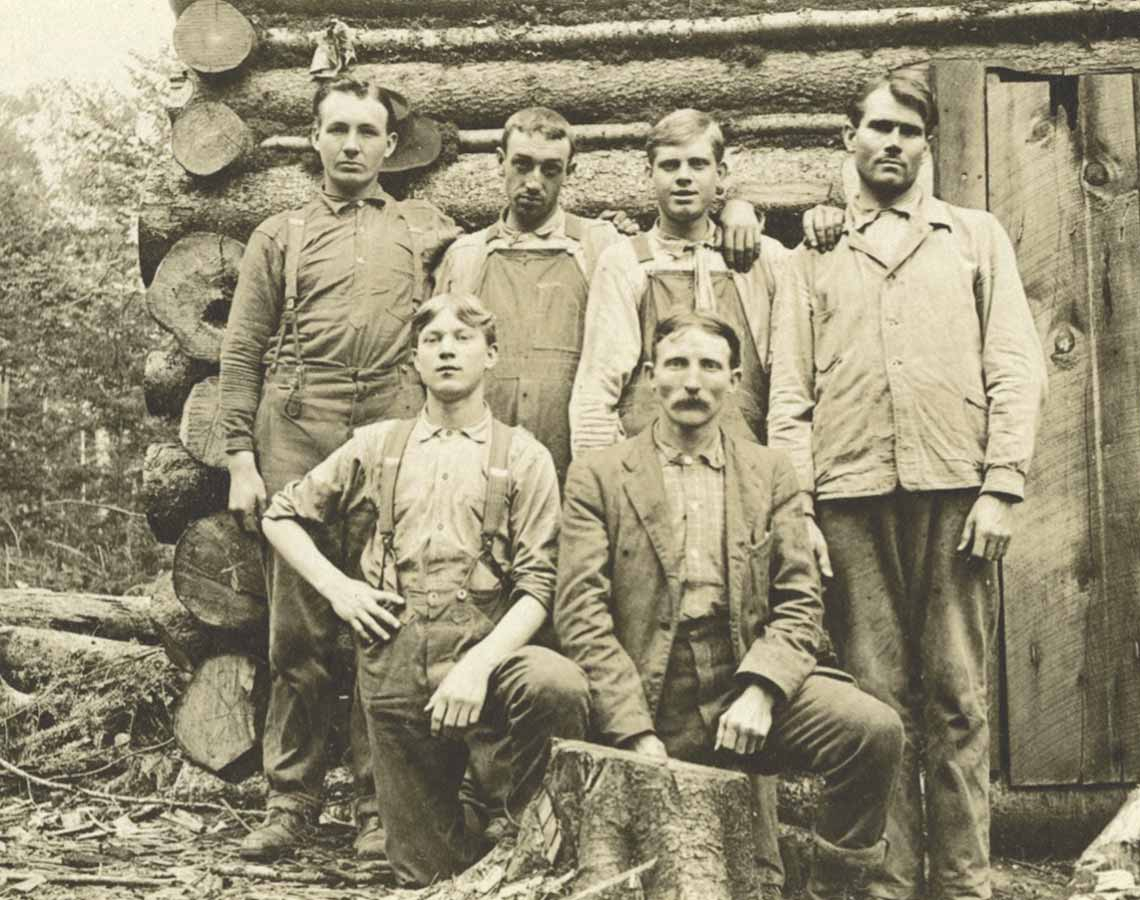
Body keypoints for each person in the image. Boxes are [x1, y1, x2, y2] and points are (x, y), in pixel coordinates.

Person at [793, 73, 1047, 900]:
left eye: (909, 129)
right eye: (877, 127)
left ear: (927, 142)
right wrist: (798, 509)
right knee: (877, 705)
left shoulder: (972, 237)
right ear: (848, 138)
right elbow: (789, 397)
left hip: (954, 492)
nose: (892, 143)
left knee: (958, 697)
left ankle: (965, 882)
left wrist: (1002, 483)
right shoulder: (814, 251)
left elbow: (1014, 363)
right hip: (848, 498)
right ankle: (889, 884)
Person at [556, 310, 904, 900]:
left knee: (873, 731)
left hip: (743, 672)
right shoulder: (599, 475)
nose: (693, 382)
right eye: (677, 364)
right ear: (649, 375)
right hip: (650, 684)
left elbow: (799, 602)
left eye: (710, 366)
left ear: (735, 379)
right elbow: (581, 614)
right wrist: (634, 731)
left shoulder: (769, 471)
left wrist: (763, 689)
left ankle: (835, 888)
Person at [261, 292, 590, 887]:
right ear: (414, 360)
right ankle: (465, 818)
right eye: (432, 342)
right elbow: (279, 516)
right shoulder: (377, 445)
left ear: (491, 356)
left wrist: (478, 667)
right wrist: (341, 590)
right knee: (422, 871)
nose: (446, 352)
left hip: (488, 657)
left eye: (462, 340)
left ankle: (516, 822)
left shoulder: (525, 456)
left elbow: (539, 586)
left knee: (555, 682)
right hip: (396, 663)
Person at [565, 106, 811, 891]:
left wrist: (796, 510)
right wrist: (601, 498)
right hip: (648, 500)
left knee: (747, 646)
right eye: (668, 165)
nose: (682, 178)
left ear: (721, 174)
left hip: (746, 498)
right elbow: (595, 393)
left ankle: (763, 861)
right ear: (649, 174)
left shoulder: (765, 258)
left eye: (698, 165)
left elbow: (791, 393)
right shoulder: (625, 262)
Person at [219, 76, 461, 860]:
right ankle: (289, 801)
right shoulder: (279, 234)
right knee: (298, 630)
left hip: (388, 434)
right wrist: (239, 458)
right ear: (315, 140)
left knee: (381, 618)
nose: (352, 145)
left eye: (368, 132)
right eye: (339, 130)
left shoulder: (426, 234)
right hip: (296, 428)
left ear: (391, 147)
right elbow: (242, 348)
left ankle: (376, 802)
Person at [436, 106, 766, 484]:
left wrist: (739, 207)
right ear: (500, 162)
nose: (532, 182)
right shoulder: (466, 255)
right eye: (522, 165)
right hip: (482, 448)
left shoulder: (600, 244)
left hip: (577, 446)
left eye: (550, 169)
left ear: (570, 171)